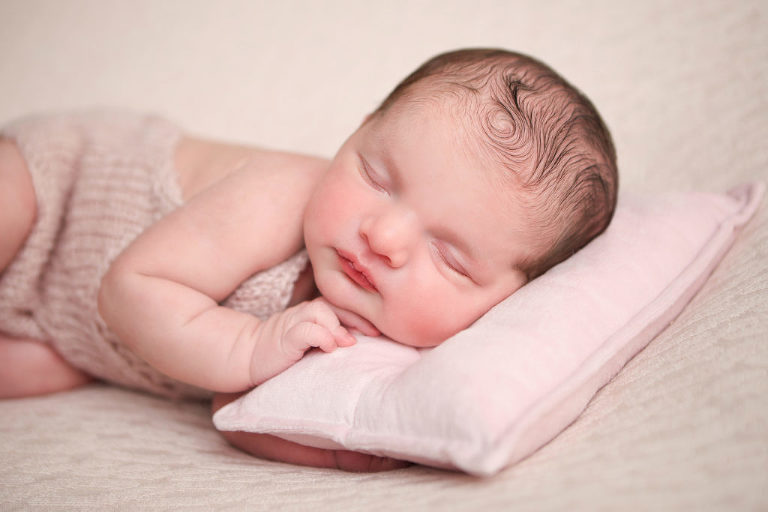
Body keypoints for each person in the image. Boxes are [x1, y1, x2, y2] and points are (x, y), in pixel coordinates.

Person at [0, 48, 617, 470]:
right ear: (356, 131)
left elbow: (237, 413)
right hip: (60, 191)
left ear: (505, 299)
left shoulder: (394, 330)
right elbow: (129, 289)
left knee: (31, 374)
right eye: (377, 176)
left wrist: (342, 450)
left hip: (69, 333)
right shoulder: (283, 193)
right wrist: (253, 346)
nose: (384, 237)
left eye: (449, 257)